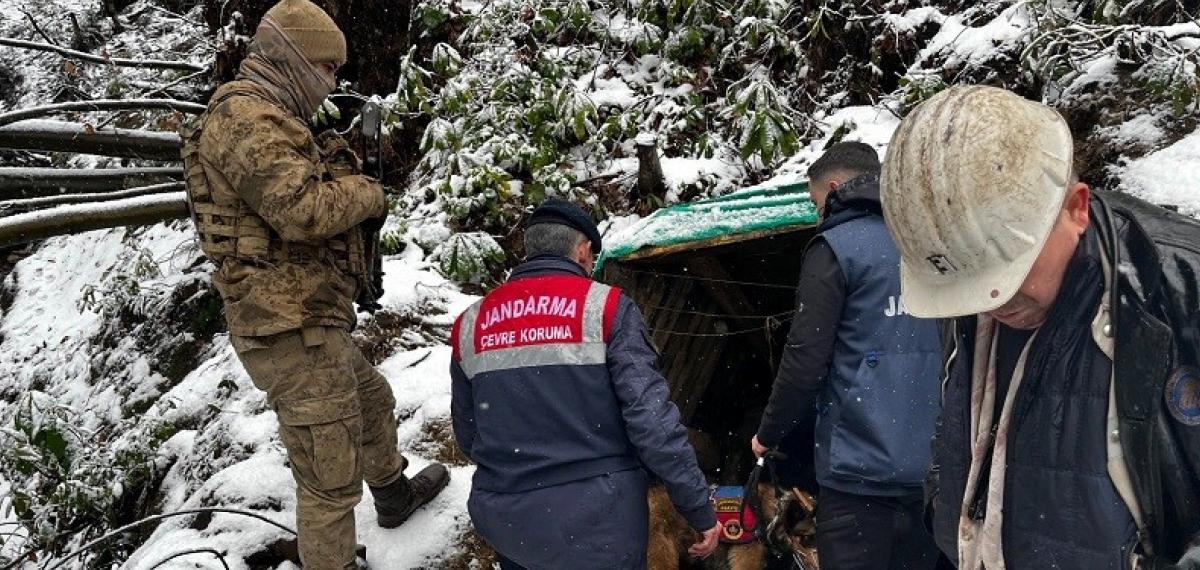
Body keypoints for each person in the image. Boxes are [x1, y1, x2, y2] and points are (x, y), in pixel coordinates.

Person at [880, 85, 1200, 570]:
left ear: (1075, 208)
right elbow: (957, 426)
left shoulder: (1176, 291)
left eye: (1006, 276)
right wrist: (942, 505)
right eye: (973, 289)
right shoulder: (970, 282)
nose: (992, 302)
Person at [179, 1, 449, 567]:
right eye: (325, 68)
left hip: (308, 314)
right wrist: (367, 193)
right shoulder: (244, 118)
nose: (330, 83)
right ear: (294, 59)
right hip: (287, 325)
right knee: (329, 480)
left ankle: (393, 495)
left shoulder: (270, 115)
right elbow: (300, 211)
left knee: (371, 401)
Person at [450, 198, 721, 569]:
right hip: (599, 523)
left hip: (508, 523)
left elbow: (468, 434)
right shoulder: (606, 308)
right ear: (582, 250)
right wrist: (697, 508)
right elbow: (652, 423)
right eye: (593, 257)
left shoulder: (471, 322)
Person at [751, 142, 943, 570]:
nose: (816, 213)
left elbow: (805, 359)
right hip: (931, 476)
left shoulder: (836, 247)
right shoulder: (926, 241)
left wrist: (769, 433)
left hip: (858, 478)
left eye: (814, 201)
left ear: (835, 188)